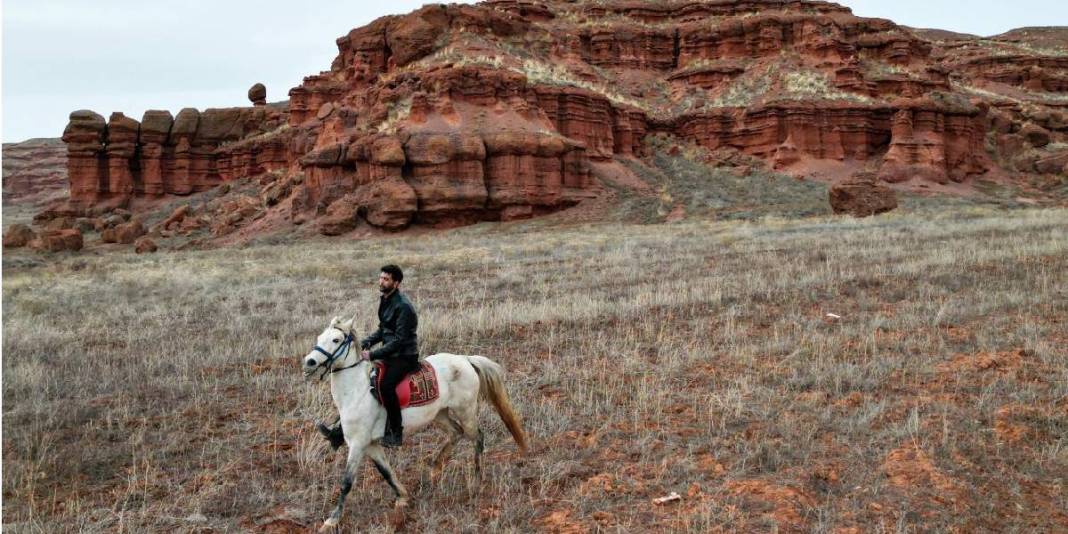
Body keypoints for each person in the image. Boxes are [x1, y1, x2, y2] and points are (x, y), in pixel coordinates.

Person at [318, 264, 419, 449]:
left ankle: (395, 432)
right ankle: (339, 432)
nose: (381, 281)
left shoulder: (404, 307)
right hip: (391, 353)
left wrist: (371, 354)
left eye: (386, 279)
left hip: (404, 356)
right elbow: (383, 330)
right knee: (362, 384)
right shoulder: (386, 300)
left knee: (386, 385)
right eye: (381, 278)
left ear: (396, 283)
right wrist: (363, 343)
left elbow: (399, 340)